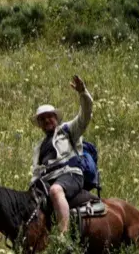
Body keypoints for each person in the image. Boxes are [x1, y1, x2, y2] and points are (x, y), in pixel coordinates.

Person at [31, 76, 93, 237]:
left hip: (70, 174)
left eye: (49, 116)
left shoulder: (68, 130)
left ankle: (63, 236)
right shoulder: (38, 146)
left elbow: (85, 115)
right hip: (46, 180)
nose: (47, 120)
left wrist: (83, 93)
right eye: (42, 119)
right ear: (39, 124)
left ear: (56, 118)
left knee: (56, 190)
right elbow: (36, 172)